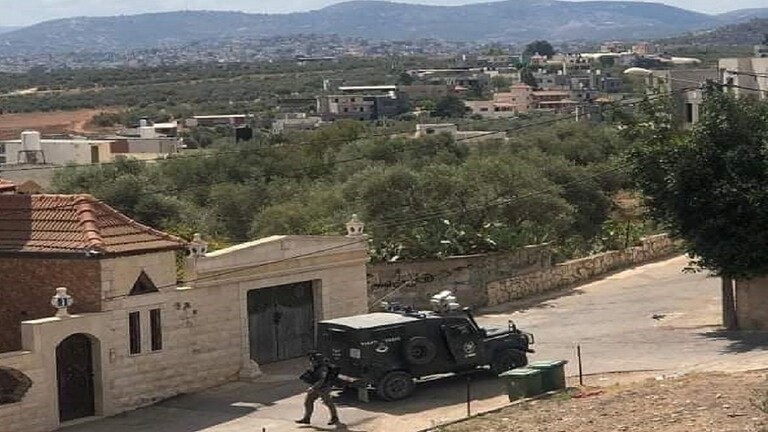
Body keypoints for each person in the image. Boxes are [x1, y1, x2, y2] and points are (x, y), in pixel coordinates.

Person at [296, 351, 339, 425]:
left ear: (318, 361)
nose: (311, 362)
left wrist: (313, 388)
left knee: (328, 402)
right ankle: (307, 418)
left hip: (324, 388)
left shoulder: (323, 369)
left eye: (313, 361)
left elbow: (321, 380)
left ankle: (334, 417)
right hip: (316, 387)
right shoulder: (316, 367)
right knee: (308, 401)